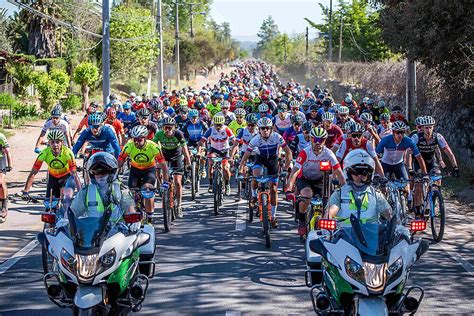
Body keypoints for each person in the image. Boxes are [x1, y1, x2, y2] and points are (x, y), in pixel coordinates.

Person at [287, 127, 346, 237]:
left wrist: (346, 190)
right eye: (315, 139)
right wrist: (289, 188)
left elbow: (339, 172)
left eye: (321, 140)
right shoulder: (305, 152)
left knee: (327, 204)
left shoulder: (328, 153)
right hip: (305, 179)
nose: (318, 143)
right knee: (307, 196)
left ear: (324, 141)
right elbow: (295, 171)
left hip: (321, 180)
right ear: (311, 139)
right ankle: (302, 222)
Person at [239, 117, 292, 228]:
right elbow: (246, 155)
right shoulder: (255, 139)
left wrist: (286, 168)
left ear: (271, 128)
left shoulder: (277, 137)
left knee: (273, 189)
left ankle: (273, 216)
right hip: (260, 159)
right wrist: (241, 167)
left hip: (273, 161)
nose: (265, 130)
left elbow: (288, 152)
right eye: (263, 128)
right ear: (259, 129)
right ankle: (254, 196)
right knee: (255, 175)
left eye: (268, 128)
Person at [327, 149, 393, 226]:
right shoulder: (339, 194)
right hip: (344, 236)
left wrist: (397, 226)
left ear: (369, 174)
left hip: (371, 235)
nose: (360, 176)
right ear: (348, 172)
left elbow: (389, 214)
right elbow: (331, 211)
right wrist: (328, 216)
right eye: (356, 172)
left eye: (364, 172)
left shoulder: (376, 195)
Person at [409, 116, 459, 217]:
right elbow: (409, 153)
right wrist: (410, 167)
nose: (428, 130)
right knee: (418, 184)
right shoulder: (416, 137)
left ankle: (435, 199)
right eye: (426, 128)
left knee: (438, 177)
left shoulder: (438, 136)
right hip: (418, 162)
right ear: (422, 128)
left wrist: (455, 166)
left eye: (430, 127)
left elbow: (448, 151)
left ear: (433, 127)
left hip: (431, 161)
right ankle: (418, 208)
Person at [118, 125, 169, 223]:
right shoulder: (129, 145)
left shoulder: (153, 146)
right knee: (130, 194)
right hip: (135, 170)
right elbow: (120, 161)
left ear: (145, 138)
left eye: (139, 139)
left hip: (149, 170)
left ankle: (149, 218)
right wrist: (114, 173)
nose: (136, 142)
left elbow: (164, 166)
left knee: (148, 189)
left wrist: (166, 182)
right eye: (134, 139)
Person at [70, 152, 134, 222]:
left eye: (103, 172)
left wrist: (134, 220)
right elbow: (73, 211)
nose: (100, 175)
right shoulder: (85, 191)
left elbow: (130, 208)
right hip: (92, 231)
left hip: (118, 231)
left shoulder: (121, 189)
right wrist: (65, 220)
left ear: (112, 172)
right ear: (92, 175)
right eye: (96, 173)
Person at [23, 130, 81, 199]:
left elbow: (74, 174)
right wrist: (26, 192)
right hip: (53, 177)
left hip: (66, 176)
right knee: (49, 203)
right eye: (52, 142)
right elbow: (33, 172)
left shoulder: (68, 153)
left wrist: (80, 192)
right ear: (49, 143)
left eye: (57, 142)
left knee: (65, 199)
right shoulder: (44, 153)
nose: (55, 145)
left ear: (62, 142)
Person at [153, 117, 191, 217]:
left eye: (170, 128)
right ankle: (163, 189)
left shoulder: (178, 134)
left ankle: (179, 205)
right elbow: (153, 148)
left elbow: (185, 150)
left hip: (176, 156)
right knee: (158, 172)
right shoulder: (159, 134)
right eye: (165, 128)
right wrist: (152, 161)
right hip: (164, 155)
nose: (167, 130)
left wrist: (188, 164)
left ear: (174, 127)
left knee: (177, 182)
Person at [197, 115, 234, 195]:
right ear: (214, 124)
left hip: (224, 150)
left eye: (220, 125)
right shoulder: (210, 130)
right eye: (216, 124)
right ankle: (210, 185)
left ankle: (227, 185)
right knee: (210, 165)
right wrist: (199, 152)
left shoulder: (227, 129)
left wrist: (234, 153)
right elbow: (201, 142)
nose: (218, 127)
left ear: (223, 123)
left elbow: (234, 142)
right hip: (214, 150)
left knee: (225, 168)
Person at [0, 133, 12, 222]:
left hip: (1, 160)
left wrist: (10, 164)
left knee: (1, 181)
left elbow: (8, 151)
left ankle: (4, 206)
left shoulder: (1, 136)